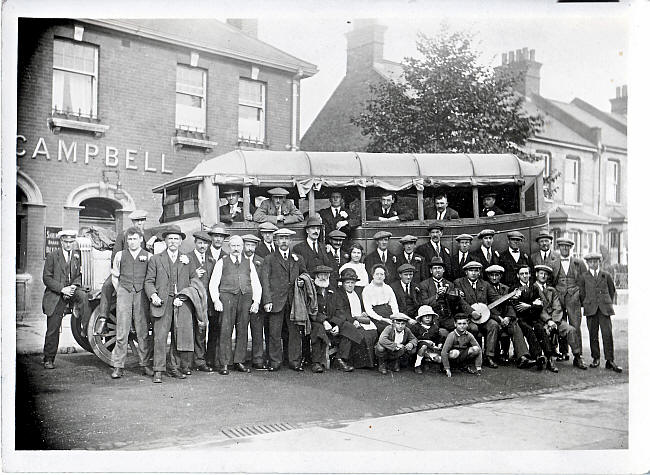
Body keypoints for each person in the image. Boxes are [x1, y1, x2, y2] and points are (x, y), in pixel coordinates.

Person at [144, 225, 195, 383]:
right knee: (160, 337)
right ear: (165, 241)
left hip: (180, 304)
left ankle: (174, 367)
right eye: (170, 239)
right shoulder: (155, 259)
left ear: (180, 242)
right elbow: (149, 281)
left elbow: (194, 281)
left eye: (176, 239)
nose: (173, 242)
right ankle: (158, 370)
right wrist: (153, 295)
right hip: (162, 304)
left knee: (178, 337)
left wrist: (184, 297)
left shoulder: (187, 259)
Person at [209, 235, 261, 375]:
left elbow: (256, 283)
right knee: (225, 329)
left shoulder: (248, 262)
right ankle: (224, 363)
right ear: (229, 247)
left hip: (245, 298)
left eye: (239, 246)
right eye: (233, 246)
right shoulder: (222, 262)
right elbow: (213, 283)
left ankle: (239, 361)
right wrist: (216, 300)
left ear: (242, 247)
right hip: (227, 298)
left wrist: (256, 301)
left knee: (243, 329)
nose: (236, 248)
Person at [41, 230, 90, 369]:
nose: (68, 245)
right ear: (61, 242)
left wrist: (74, 286)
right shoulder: (52, 256)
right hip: (57, 294)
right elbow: (47, 278)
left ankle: (84, 327)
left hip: (71, 291)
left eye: (71, 242)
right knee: (53, 328)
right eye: (66, 242)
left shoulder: (75, 256)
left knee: (84, 297)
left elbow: (79, 275)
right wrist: (63, 289)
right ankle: (48, 359)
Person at [261, 228, 308, 371]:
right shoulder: (269, 259)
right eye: (281, 238)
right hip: (276, 301)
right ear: (276, 240)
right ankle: (275, 361)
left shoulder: (297, 258)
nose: (284, 241)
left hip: (294, 301)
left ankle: (294, 361)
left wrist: (301, 280)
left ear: (290, 241)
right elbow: (265, 280)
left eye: (286, 238)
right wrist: (267, 300)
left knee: (294, 332)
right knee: (274, 332)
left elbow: (305, 274)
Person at [109, 227, 154, 379]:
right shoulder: (120, 255)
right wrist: (121, 290)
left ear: (141, 239)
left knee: (142, 331)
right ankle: (118, 366)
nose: (132, 242)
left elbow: (151, 278)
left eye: (135, 239)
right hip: (124, 293)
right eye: (129, 239)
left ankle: (145, 364)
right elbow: (115, 275)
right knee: (122, 330)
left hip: (141, 295)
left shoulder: (148, 256)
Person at [530, 264, 588, 372]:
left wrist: (555, 321)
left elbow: (557, 307)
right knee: (543, 332)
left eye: (545, 274)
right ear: (537, 274)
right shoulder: (532, 289)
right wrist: (548, 321)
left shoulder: (552, 290)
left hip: (555, 320)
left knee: (571, 330)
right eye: (541, 273)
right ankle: (549, 360)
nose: (543, 276)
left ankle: (577, 356)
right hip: (540, 320)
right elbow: (538, 309)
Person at [484, 265, 536, 369]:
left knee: (515, 325)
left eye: (497, 275)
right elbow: (487, 307)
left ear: (500, 276)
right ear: (488, 276)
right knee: (494, 325)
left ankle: (522, 357)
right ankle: (489, 357)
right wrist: (499, 318)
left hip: (506, 319)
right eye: (492, 275)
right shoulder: (485, 287)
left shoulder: (506, 289)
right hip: (492, 318)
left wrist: (509, 317)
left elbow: (510, 305)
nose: (494, 278)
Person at [579, 253, 622, 373]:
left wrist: (606, 302)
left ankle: (610, 360)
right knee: (593, 335)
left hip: (604, 309)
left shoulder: (606, 275)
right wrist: (587, 303)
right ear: (587, 263)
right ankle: (596, 358)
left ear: (600, 262)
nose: (593, 264)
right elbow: (582, 293)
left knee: (607, 334)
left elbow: (612, 290)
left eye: (595, 261)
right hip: (591, 309)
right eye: (590, 262)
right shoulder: (584, 277)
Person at [454, 261, 501, 369]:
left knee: (493, 325)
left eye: (476, 270)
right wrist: (471, 312)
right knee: (473, 328)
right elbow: (460, 301)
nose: (474, 273)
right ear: (466, 272)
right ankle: (472, 356)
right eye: (471, 270)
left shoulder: (485, 284)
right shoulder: (459, 283)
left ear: (479, 272)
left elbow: (494, 298)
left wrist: (510, 296)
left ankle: (489, 356)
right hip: (468, 318)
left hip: (483, 318)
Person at [329, 268, 377, 369]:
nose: (350, 285)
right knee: (354, 332)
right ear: (342, 283)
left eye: (352, 282)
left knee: (371, 333)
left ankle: (365, 363)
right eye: (347, 283)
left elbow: (359, 307)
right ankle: (341, 359)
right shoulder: (339, 294)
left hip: (355, 319)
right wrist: (353, 320)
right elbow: (340, 312)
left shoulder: (357, 293)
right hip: (340, 320)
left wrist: (363, 313)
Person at [552, 237, 587, 361]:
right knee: (561, 324)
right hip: (559, 298)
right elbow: (551, 282)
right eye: (562, 246)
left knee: (575, 326)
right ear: (559, 248)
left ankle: (578, 355)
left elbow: (584, 282)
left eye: (567, 246)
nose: (565, 248)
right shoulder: (554, 262)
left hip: (574, 298)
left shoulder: (579, 263)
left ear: (571, 248)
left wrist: (580, 297)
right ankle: (563, 352)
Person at [186, 230, 216, 373]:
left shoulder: (211, 260)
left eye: (205, 243)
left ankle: (200, 360)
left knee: (201, 330)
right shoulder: (187, 258)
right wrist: (193, 274)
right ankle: (187, 361)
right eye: (200, 243)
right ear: (195, 243)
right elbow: (181, 278)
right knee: (190, 330)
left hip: (206, 302)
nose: (202, 246)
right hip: (191, 300)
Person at [511, 266, 548, 371]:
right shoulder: (514, 289)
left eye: (526, 273)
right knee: (529, 330)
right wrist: (533, 306)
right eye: (522, 274)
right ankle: (537, 356)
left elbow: (540, 306)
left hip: (533, 318)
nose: (525, 276)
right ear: (518, 275)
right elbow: (517, 307)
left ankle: (546, 356)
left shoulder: (534, 288)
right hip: (521, 319)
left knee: (539, 328)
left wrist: (528, 306)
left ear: (530, 275)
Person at [243, 234, 270, 370]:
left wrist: (262, 301)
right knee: (241, 330)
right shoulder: (238, 260)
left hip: (256, 301)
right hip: (241, 301)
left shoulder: (261, 261)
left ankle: (257, 358)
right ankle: (239, 358)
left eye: (252, 245)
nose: (249, 248)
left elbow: (265, 282)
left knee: (257, 330)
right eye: (247, 245)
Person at [205, 224, 229, 368]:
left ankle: (213, 359)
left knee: (217, 328)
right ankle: (200, 359)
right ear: (211, 238)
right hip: (204, 298)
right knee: (201, 329)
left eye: (221, 236)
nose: (218, 239)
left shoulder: (226, 256)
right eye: (216, 236)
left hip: (218, 299)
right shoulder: (203, 252)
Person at [417, 257, 459, 340]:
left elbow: (454, 305)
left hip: (447, 317)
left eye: (440, 268)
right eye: (435, 268)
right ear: (431, 271)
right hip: (433, 317)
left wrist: (448, 294)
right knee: (437, 332)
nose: (437, 270)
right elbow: (424, 303)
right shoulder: (424, 284)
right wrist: (436, 295)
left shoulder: (450, 284)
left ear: (444, 270)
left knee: (459, 328)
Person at [307, 265, 337, 373]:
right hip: (314, 320)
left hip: (330, 320)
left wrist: (336, 324)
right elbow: (310, 309)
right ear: (316, 276)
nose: (323, 277)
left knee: (345, 326)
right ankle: (316, 362)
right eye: (321, 275)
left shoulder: (332, 290)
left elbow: (338, 309)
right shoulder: (312, 290)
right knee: (318, 329)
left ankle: (341, 359)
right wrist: (323, 321)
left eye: (326, 275)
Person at [292, 215, 335, 284]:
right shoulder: (298, 248)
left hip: (324, 285)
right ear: (307, 230)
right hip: (308, 286)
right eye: (313, 228)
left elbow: (331, 268)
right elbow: (297, 271)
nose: (316, 231)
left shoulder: (325, 248)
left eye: (318, 229)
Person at [362, 264, 399, 334]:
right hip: (375, 316)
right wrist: (382, 319)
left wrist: (395, 317)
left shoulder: (388, 288)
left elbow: (394, 305)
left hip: (389, 313)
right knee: (387, 329)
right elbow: (369, 310)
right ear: (373, 275)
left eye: (381, 274)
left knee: (402, 327)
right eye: (377, 274)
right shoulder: (367, 289)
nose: (379, 276)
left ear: (384, 276)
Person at [411, 305, 443, 374]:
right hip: (419, 347)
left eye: (429, 315)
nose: (427, 317)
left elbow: (438, 338)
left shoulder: (435, 327)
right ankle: (417, 365)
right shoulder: (417, 327)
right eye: (425, 315)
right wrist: (426, 342)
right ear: (421, 317)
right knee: (424, 346)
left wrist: (439, 345)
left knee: (439, 359)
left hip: (432, 347)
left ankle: (429, 362)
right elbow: (413, 339)